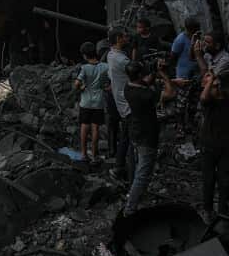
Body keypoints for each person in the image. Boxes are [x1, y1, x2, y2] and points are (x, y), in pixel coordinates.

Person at [197, 31, 229, 219]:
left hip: (225, 143)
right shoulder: (208, 103)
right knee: (209, 179)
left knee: (224, 178)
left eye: (208, 42)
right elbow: (204, 93)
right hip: (211, 144)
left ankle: (223, 209)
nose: (204, 44)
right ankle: (208, 209)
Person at [124, 59, 175, 215]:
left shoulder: (128, 87)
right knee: (143, 173)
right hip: (147, 136)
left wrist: (153, 72)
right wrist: (164, 76)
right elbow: (170, 93)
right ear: (139, 75)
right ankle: (130, 208)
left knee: (138, 165)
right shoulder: (145, 94)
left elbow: (145, 81)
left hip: (135, 132)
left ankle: (135, 194)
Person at [74, 41, 110, 161]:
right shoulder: (105, 66)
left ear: (84, 55)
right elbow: (109, 83)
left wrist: (81, 88)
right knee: (96, 128)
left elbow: (76, 84)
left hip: (86, 102)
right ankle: (94, 155)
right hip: (99, 102)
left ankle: (84, 154)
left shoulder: (84, 68)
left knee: (84, 127)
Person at [106, 28, 134, 180]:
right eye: (124, 36)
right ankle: (126, 170)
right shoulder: (122, 61)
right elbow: (138, 76)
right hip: (129, 104)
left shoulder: (111, 55)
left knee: (125, 136)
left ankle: (120, 167)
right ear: (118, 39)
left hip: (121, 103)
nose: (127, 37)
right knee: (129, 138)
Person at [169, 18, 202, 133]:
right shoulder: (180, 39)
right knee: (181, 104)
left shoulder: (197, 39)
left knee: (193, 101)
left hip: (195, 75)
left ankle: (190, 123)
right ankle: (180, 125)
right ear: (191, 29)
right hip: (183, 76)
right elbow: (173, 57)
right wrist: (174, 77)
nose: (199, 31)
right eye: (197, 29)